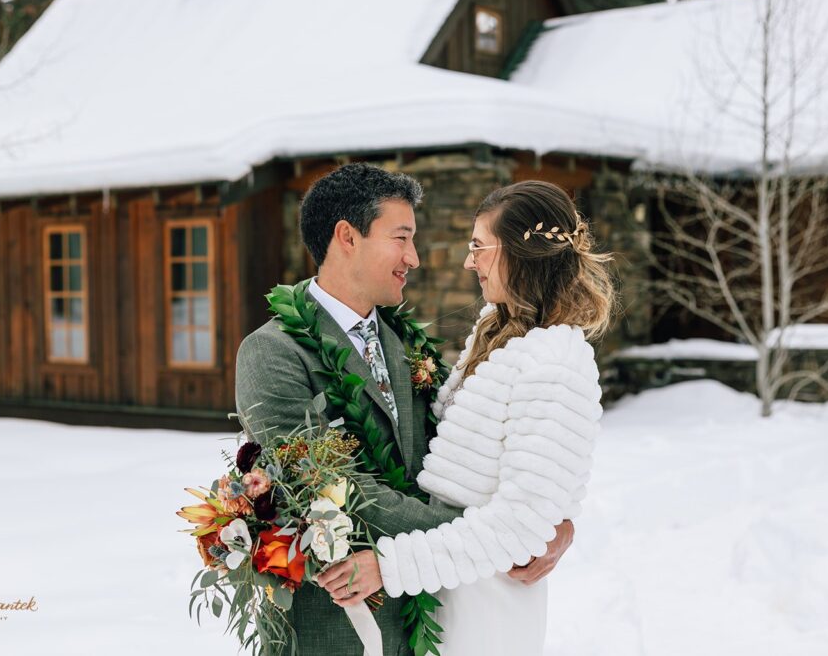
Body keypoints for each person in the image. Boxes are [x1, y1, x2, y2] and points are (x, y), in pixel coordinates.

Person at [235, 165, 574, 655]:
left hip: (426, 619)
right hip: (334, 627)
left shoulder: (402, 340)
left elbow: (468, 448)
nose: (413, 258)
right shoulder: (273, 353)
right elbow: (328, 483)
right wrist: (499, 535)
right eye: (402, 238)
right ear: (347, 237)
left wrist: (549, 521)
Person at [319, 180, 614, 655]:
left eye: (479, 247)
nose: (467, 261)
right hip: (446, 584)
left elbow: (519, 523)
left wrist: (388, 565)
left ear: (523, 251)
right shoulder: (498, 331)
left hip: (487, 604)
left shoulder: (555, 363)